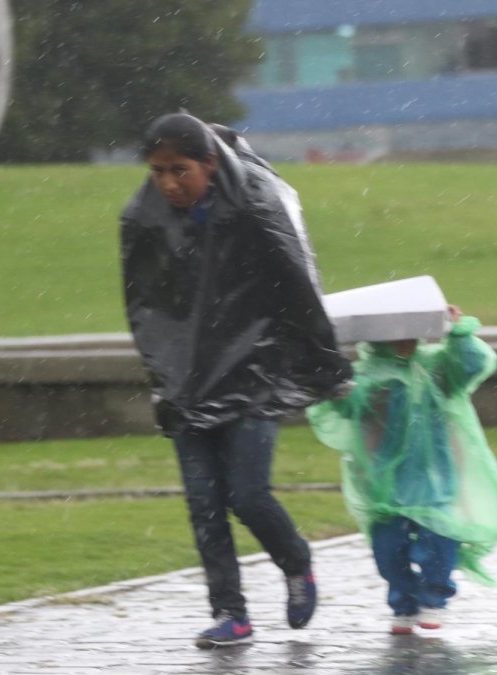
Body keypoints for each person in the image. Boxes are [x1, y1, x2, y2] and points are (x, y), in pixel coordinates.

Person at [119, 112, 353, 649]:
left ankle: (296, 562)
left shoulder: (254, 204)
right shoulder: (143, 219)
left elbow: (296, 284)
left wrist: (327, 366)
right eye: (158, 171)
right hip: (185, 381)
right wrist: (165, 375)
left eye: (180, 170)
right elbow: (145, 306)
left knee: (246, 494)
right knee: (203, 504)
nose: (169, 183)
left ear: (207, 162)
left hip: (254, 372)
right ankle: (231, 613)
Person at [307, 304, 497, 635]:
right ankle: (403, 602)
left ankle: (434, 598)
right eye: (394, 335)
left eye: (410, 333)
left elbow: (472, 365)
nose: (405, 342)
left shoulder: (436, 369)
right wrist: (330, 379)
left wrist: (459, 334)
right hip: (383, 484)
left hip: (434, 477)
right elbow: (340, 405)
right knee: (389, 551)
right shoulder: (364, 378)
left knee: (439, 541)